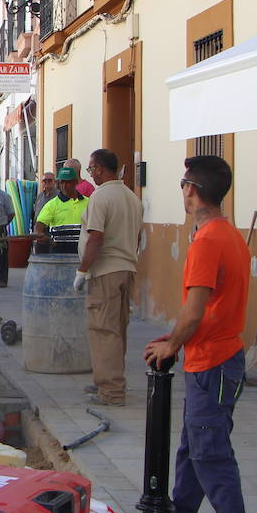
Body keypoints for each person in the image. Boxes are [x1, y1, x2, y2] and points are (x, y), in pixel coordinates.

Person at [143, 155, 253, 513]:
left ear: (191, 189)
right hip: (214, 357)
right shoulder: (227, 233)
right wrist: (173, 340)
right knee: (194, 448)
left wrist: (173, 344)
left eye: (182, 185)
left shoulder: (207, 240)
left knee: (210, 451)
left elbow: (195, 309)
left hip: (215, 360)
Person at [75, 149, 144, 407]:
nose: (90, 174)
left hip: (105, 271)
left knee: (104, 330)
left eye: (91, 169)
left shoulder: (101, 197)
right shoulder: (131, 197)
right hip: (126, 268)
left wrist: (83, 270)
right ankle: (108, 382)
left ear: (101, 168)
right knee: (117, 329)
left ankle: (111, 391)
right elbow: (136, 237)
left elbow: (96, 236)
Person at [33, 167, 88, 252]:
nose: (64, 185)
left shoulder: (88, 203)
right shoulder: (52, 204)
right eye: (62, 182)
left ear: (75, 182)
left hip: (83, 253)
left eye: (68, 182)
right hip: (59, 254)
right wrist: (39, 233)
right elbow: (40, 223)